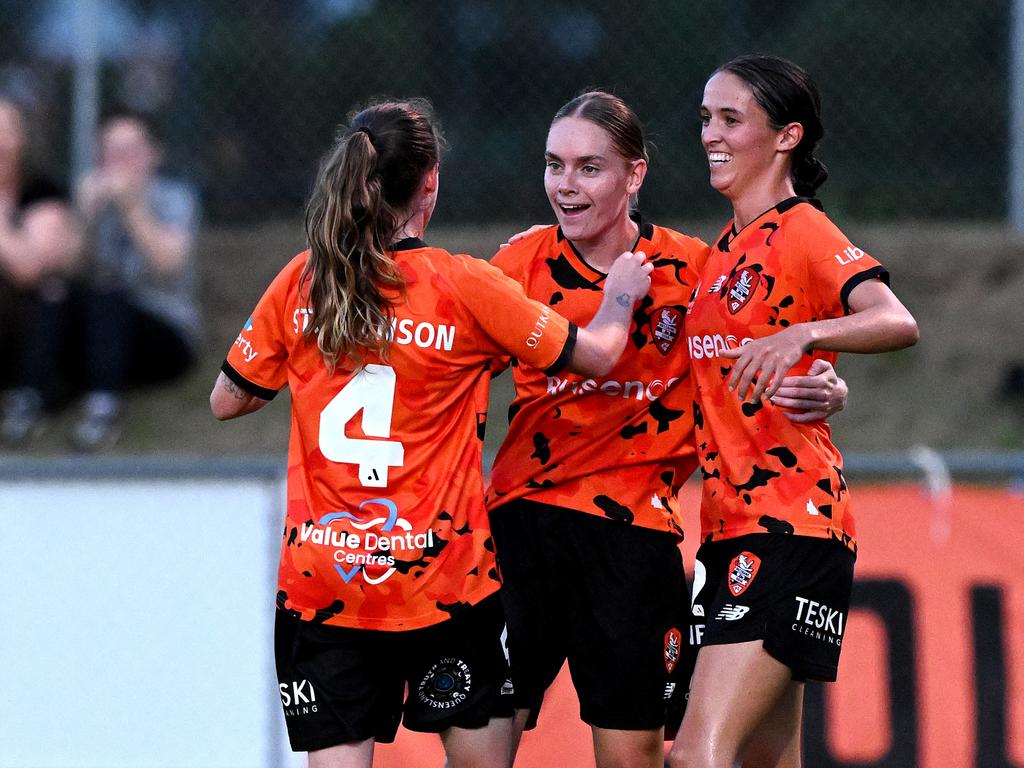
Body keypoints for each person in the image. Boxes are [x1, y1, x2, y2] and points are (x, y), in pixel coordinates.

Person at [209, 98, 655, 768]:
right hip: (441, 583)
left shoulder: (305, 281)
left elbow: (226, 401)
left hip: (325, 586)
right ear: (431, 183)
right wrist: (620, 292)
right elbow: (597, 353)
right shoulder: (463, 285)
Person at [486, 92, 849, 768]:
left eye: (589, 168)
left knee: (637, 758)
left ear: (634, 176)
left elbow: (766, 350)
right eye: (554, 165)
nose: (566, 185)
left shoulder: (696, 271)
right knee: (481, 753)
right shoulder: (515, 268)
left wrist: (830, 383)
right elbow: (443, 369)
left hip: (635, 541)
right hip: (522, 529)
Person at [667, 56, 919, 768]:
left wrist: (808, 333)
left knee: (694, 754)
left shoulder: (802, 229)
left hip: (790, 525)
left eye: (731, 119)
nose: (711, 135)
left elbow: (895, 320)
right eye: (706, 119)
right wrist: (824, 382)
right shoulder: (719, 254)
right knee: (767, 762)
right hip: (725, 529)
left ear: (786, 137)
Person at [72, 110, 200, 450]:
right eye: (111, 152)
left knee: (108, 292)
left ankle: (102, 410)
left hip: (165, 330)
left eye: (130, 151)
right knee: (57, 295)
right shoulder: (93, 198)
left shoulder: (176, 198)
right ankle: (28, 400)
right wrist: (84, 218)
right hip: (104, 328)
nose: (120, 162)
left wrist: (132, 206)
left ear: (154, 154)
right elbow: (69, 270)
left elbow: (167, 265)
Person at [0, 96, 82, 447]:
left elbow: (30, 268)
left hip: (25, 323)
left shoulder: (41, 191)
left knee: (52, 291)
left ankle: (28, 401)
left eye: (5, 128)